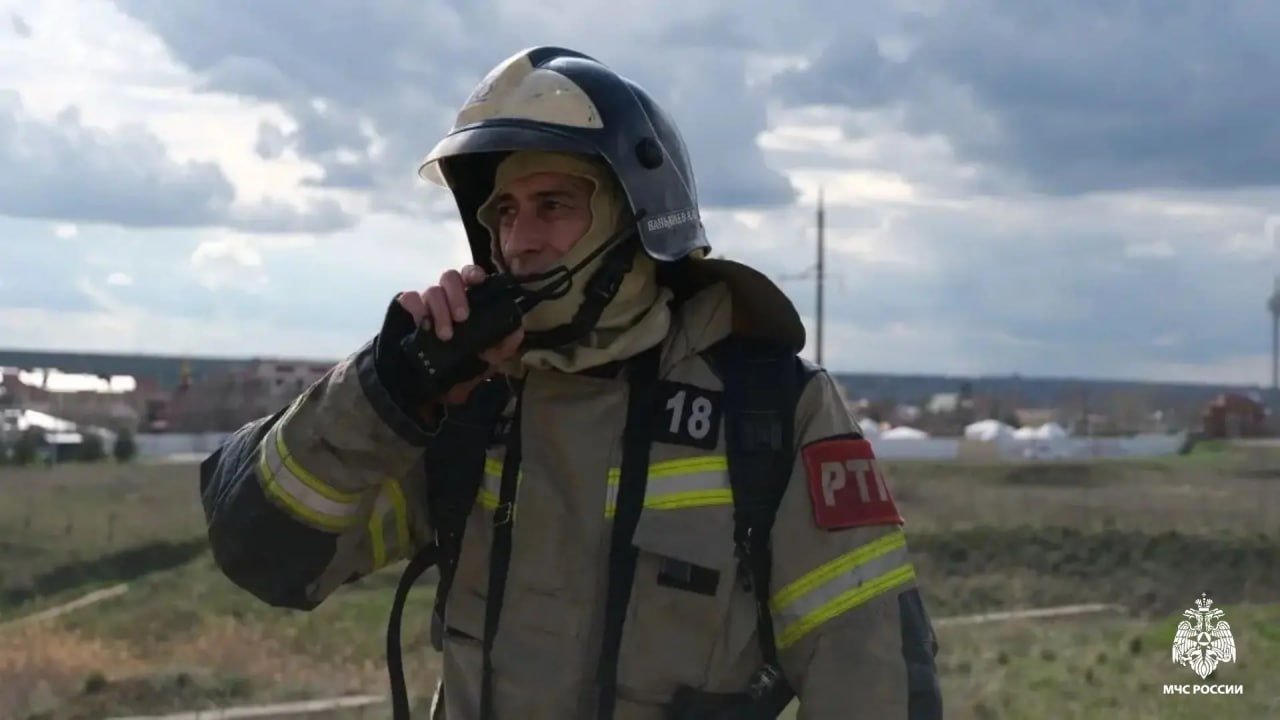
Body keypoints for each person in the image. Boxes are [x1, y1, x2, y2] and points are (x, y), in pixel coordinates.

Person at [199, 46, 943, 720]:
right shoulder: (459, 406)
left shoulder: (775, 410)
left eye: (553, 206)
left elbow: (870, 673)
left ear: (640, 218)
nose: (520, 242)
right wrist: (387, 393)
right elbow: (265, 557)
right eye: (504, 213)